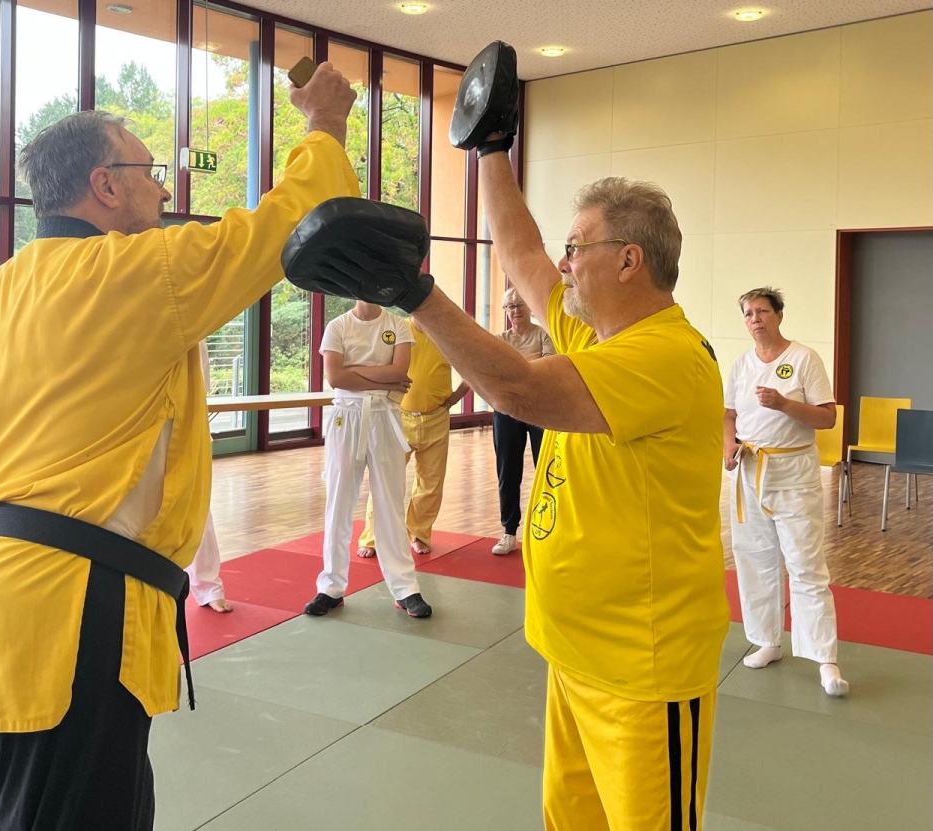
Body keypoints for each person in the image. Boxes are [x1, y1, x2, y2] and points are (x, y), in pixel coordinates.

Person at [0, 63, 360, 831]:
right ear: (104, 185)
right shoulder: (132, 273)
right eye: (149, 172)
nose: (164, 190)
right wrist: (324, 126)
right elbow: (288, 222)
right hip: (65, 609)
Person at [309, 151, 730, 823]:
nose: (563, 262)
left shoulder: (667, 355)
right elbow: (523, 254)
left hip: (643, 671)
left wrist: (414, 293)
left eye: (577, 248)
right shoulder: (593, 335)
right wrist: (490, 147)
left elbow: (518, 388)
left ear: (629, 260)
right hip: (575, 652)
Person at [725, 287, 847, 697]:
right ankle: (768, 640)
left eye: (762, 311)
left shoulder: (804, 358)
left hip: (793, 471)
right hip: (749, 469)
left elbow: (827, 418)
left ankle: (824, 657)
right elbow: (728, 415)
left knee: (805, 563)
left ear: (778, 315)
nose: (755, 319)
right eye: (748, 313)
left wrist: (783, 404)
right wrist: (728, 446)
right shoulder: (741, 365)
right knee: (754, 558)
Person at [306, 300, 433, 619]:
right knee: (338, 503)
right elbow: (336, 378)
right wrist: (382, 380)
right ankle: (330, 586)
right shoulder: (338, 326)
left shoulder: (398, 326)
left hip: (383, 417)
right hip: (345, 417)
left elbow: (399, 372)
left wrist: (355, 372)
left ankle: (405, 587)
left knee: (390, 503)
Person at [357, 317, 468, 558]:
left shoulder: (445, 332)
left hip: (436, 418)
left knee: (431, 484)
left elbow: (472, 367)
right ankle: (372, 537)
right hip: (399, 418)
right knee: (385, 479)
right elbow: (376, 364)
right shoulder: (398, 329)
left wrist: (457, 395)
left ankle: (419, 533)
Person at [490, 286, 555, 555]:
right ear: (506, 311)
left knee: (546, 469)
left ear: (529, 307)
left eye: (520, 305)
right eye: (510, 306)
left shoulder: (544, 334)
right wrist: (530, 360)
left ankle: (548, 529)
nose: (515, 311)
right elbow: (495, 372)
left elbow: (548, 367)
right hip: (506, 410)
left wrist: (514, 365)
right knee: (508, 471)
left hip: (540, 410)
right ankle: (509, 531)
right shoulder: (499, 340)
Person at [188, 339, 232, 613]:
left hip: (184, 424)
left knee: (197, 508)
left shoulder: (194, 336)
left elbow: (199, 387)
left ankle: (207, 586)